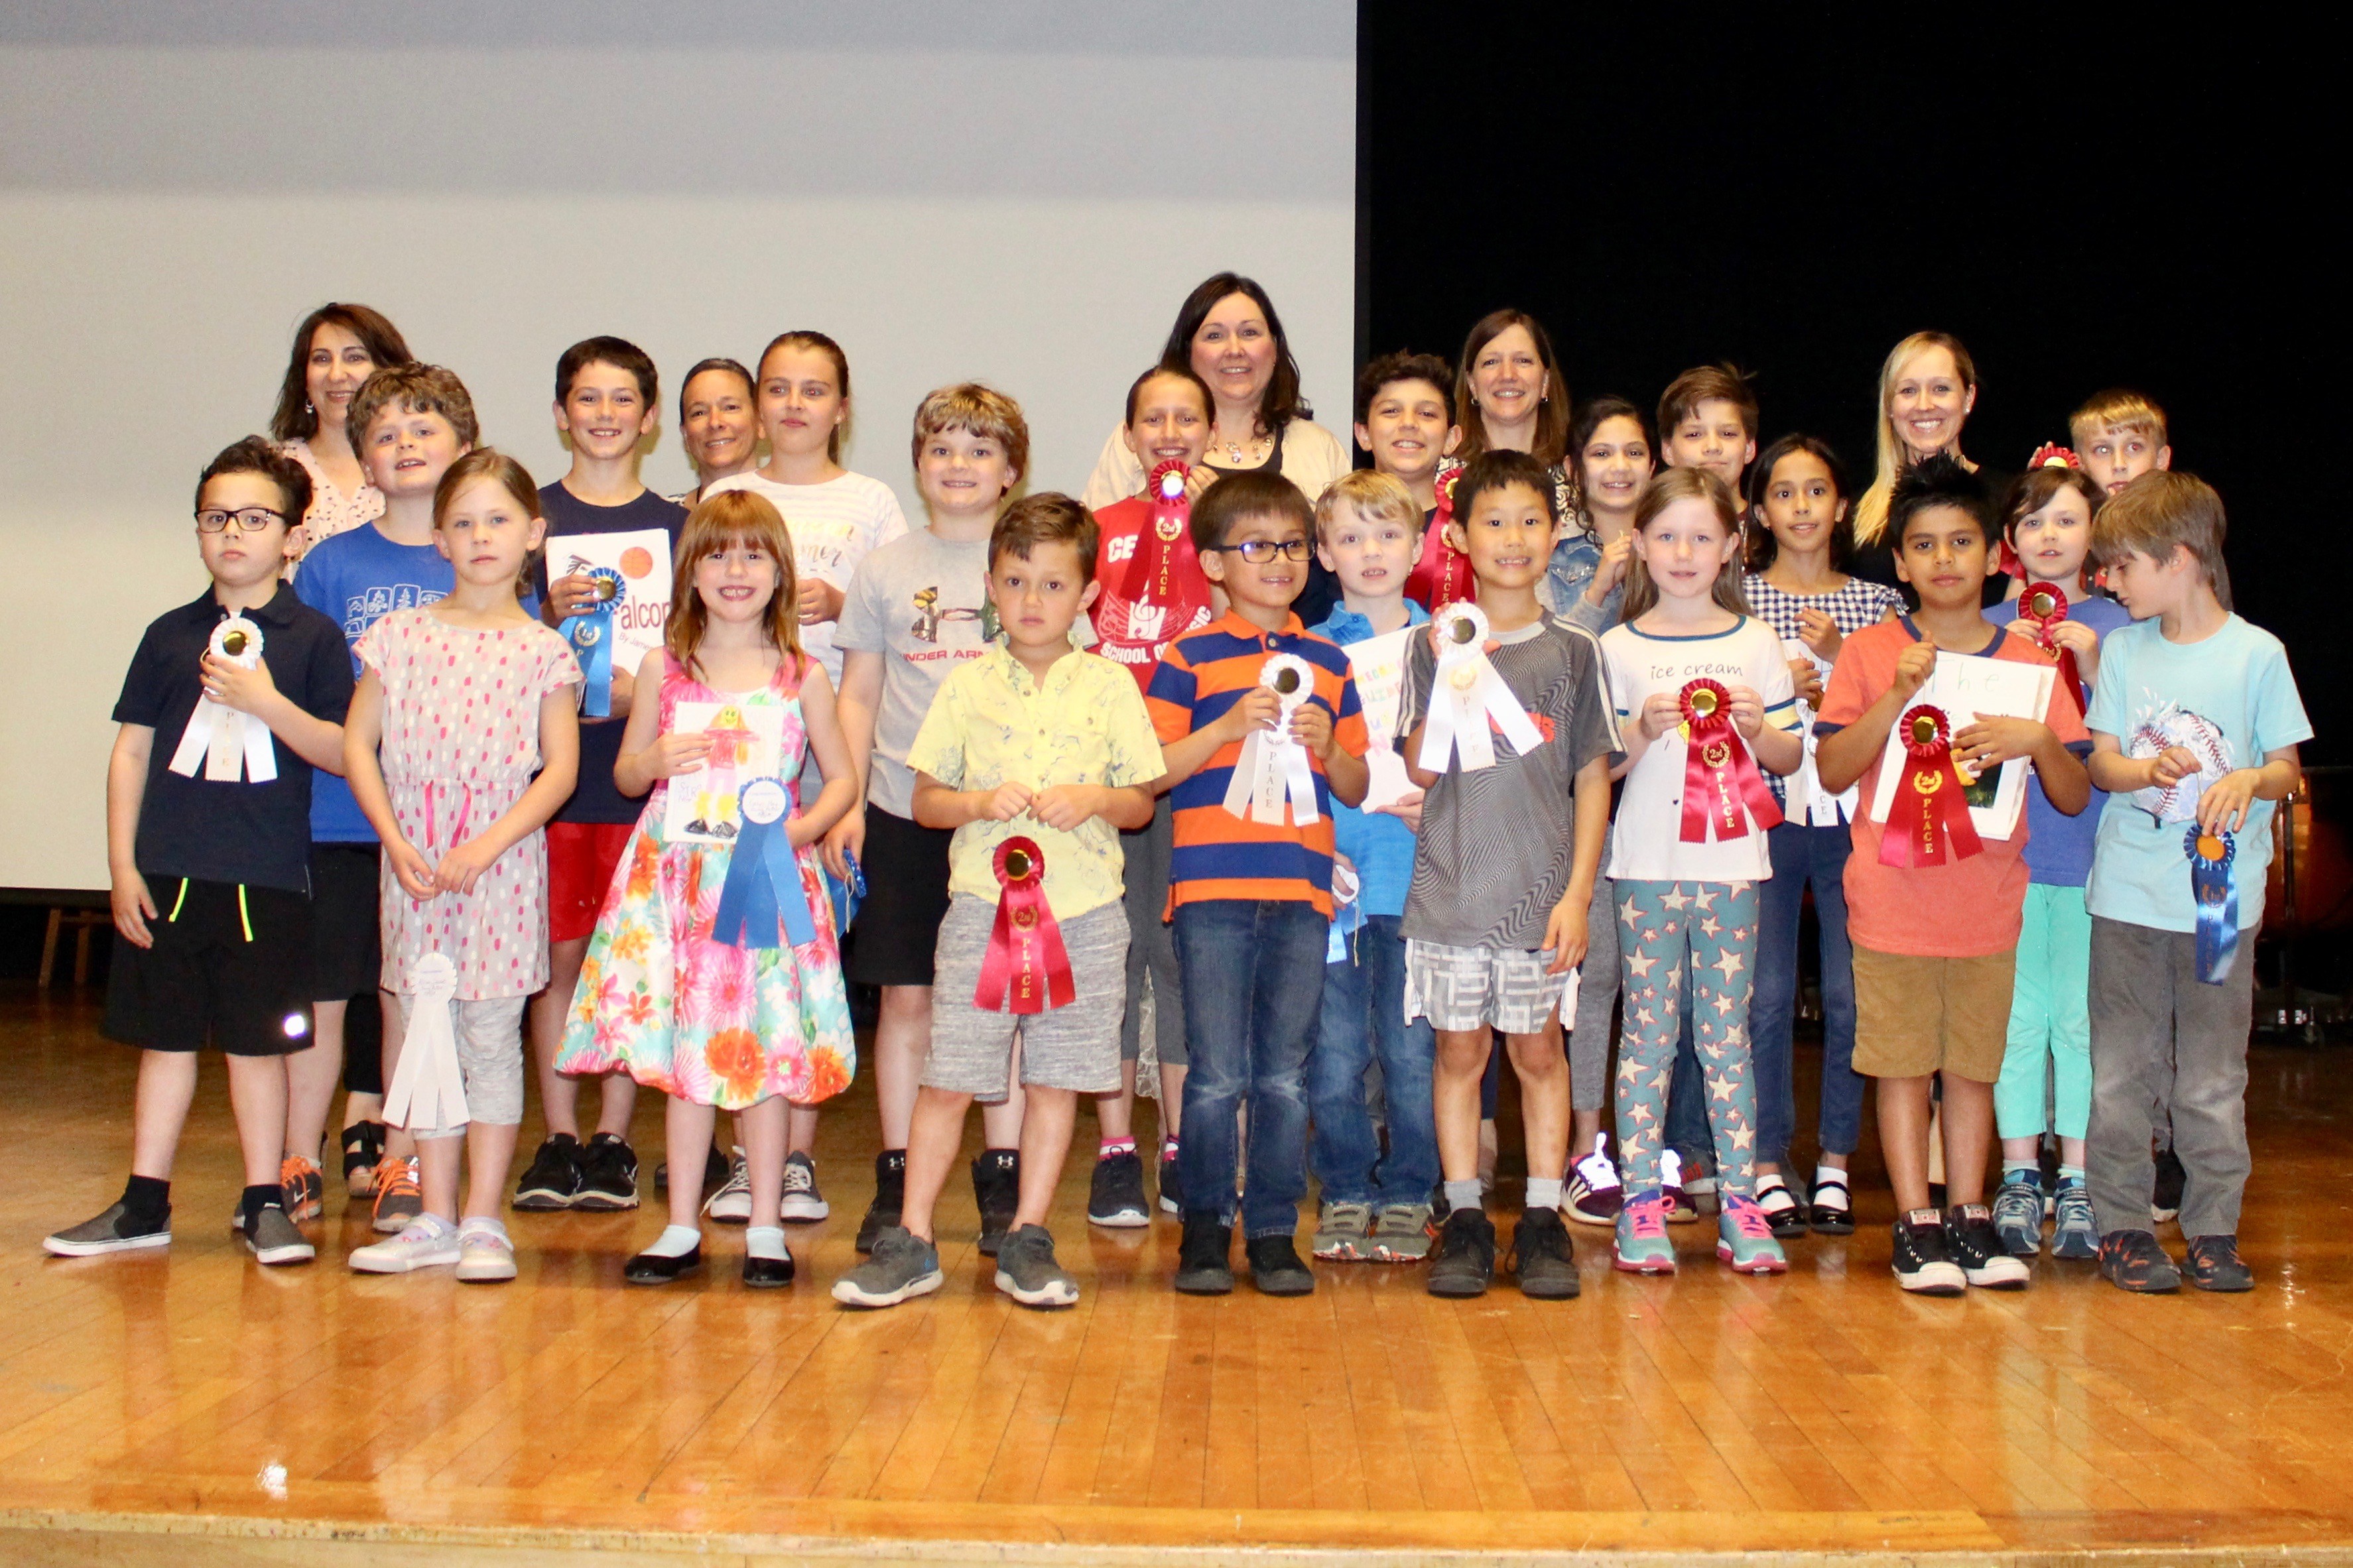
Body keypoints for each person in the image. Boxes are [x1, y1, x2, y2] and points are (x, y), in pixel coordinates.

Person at [834, 495, 1163, 1309]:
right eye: (1014, 581)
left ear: (1088, 594)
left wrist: (1093, 795)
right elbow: (924, 799)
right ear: (989, 586)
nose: (1031, 600)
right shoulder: (966, 687)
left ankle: (1027, 1235)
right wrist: (978, 805)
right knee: (950, 1077)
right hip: (983, 908)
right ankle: (911, 1238)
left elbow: (1140, 803)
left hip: (1083, 914)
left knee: (1056, 1080)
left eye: (1053, 585)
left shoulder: (1111, 686)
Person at [46, 438, 351, 1267]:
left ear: (291, 535)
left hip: (268, 881)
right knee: (166, 1039)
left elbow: (338, 747)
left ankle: (263, 1201)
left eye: (255, 518)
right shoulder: (168, 633)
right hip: (170, 874)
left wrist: (266, 700)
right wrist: (120, 865)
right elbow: (132, 750)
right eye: (216, 518)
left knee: (257, 1046)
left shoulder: (314, 638)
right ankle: (144, 1200)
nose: (233, 534)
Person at [555, 490, 858, 1288]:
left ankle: (763, 1223)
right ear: (690, 573)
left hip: (763, 887)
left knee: (757, 1056)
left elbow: (841, 779)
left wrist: (795, 833)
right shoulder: (664, 667)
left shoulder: (802, 674)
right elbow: (625, 772)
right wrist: (651, 762)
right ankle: (680, 1223)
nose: (735, 570)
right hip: (674, 890)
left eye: (754, 554)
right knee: (686, 1057)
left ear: (780, 573)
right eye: (718, 554)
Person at [1813, 455, 2089, 1295]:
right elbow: (1830, 772)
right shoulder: (1869, 653)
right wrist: (1893, 699)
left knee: (1972, 1066)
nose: (1942, 559)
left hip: (1987, 903)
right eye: (1923, 545)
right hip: (1890, 901)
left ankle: (1969, 1212)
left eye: (1961, 542)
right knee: (1900, 1064)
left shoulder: (2031, 666)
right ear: (1898, 561)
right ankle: (1914, 1218)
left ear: (1993, 556)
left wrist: (2037, 740)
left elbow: (2072, 795)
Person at [342, 450, 581, 1281]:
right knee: (424, 1035)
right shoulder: (398, 635)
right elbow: (356, 743)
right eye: (465, 521)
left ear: (534, 533)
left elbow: (559, 769)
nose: (482, 536)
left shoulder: (543, 649)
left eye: (500, 520)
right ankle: (432, 1215)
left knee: (488, 1037)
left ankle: (483, 1215)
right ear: (439, 537)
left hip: (500, 868)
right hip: (413, 867)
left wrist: (486, 844)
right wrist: (395, 836)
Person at [1146, 471, 1370, 1296]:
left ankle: (1273, 1230)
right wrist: (1225, 726)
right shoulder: (1186, 657)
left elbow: (1353, 784)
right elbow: (1153, 772)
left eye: (1290, 545)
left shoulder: (1329, 659)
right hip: (1208, 890)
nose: (1277, 561)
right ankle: (1204, 1228)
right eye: (1255, 546)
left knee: (1283, 1072)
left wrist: (1328, 745)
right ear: (1212, 563)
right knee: (1214, 1073)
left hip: (1303, 892)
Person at [2084, 472, 2308, 1294]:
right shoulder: (2121, 650)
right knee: (2120, 1074)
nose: (2109, 581)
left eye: (2120, 566)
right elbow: (2103, 761)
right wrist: (2143, 767)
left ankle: (2212, 1228)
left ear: (2177, 560)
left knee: (2212, 1075)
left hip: (2219, 906)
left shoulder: (2256, 654)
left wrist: (2246, 781)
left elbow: (2286, 769)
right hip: (2128, 904)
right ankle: (2120, 1227)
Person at [1401, 451, 1616, 1299]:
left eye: (1531, 520)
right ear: (1456, 535)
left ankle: (1538, 1215)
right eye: (1492, 522)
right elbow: (1418, 770)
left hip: (1539, 901)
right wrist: (1450, 669)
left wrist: (1575, 896)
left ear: (1555, 531)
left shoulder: (1572, 653)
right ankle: (1461, 1215)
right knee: (1458, 1052)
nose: (1513, 538)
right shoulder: (1436, 646)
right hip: (1451, 891)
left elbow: (1592, 775)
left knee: (1536, 1052)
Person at [826, 385, 1027, 1254]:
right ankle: (899, 1174)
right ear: (918, 465)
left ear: (1011, 471)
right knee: (908, 999)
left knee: (1004, 1003)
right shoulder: (885, 569)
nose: (959, 466)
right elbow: (861, 691)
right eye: (943, 449)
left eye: (980, 451)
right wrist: (846, 802)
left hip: (1005, 819)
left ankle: (1003, 1178)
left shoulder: (1034, 559)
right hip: (903, 811)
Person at [1596, 467, 1800, 1275]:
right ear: (1640, 544)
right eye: (1667, 535)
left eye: (1701, 537)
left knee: (1726, 1039)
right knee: (1646, 1036)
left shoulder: (1755, 644)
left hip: (1731, 872)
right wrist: (1638, 734)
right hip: (1643, 869)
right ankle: (1640, 1202)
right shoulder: (1614, 648)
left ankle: (1740, 1201)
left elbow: (1788, 755)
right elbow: (1598, 770)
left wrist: (1757, 729)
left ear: (1729, 547)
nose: (1683, 552)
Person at [289, 365, 476, 1224]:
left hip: (436, 825)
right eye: (386, 435)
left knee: (410, 990)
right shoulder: (328, 565)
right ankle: (299, 1151)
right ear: (363, 462)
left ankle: (401, 1155)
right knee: (326, 992)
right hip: (335, 816)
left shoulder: (477, 553)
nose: (405, 445)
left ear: (464, 448)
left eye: (425, 429)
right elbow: (309, 698)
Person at [513, 337, 688, 1217]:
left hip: (645, 783)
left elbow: (699, 653)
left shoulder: (680, 526)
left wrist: (642, 690)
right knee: (556, 963)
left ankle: (616, 1138)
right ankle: (556, 1137)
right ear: (559, 412)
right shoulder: (526, 520)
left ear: (650, 418)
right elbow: (492, 640)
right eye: (588, 398)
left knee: (632, 965)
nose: (606, 415)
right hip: (550, 784)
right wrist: (548, 620)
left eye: (625, 399)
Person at [1738, 436, 1903, 1238]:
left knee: (1848, 994)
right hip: (1759, 817)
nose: (1800, 507)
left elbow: (1910, 707)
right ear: (1760, 508)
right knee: (1764, 995)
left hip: (1852, 822)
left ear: (1841, 504)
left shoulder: (1875, 605)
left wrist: (1842, 666)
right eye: (1782, 492)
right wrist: (1777, 690)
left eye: (1816, 491)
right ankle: (1766, 1160)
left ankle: (1835, 1160)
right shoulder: (1735, 597)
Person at [1979, 465, 2130, 1258]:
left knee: (2076, 1021)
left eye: (2065, 521)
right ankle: (2016, 1174)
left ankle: (2076, 1176)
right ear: (2010, 540)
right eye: (2032, 523)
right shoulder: (1986, 623)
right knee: (2013, 1021)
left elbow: (2135, 738)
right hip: (2004, 857)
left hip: (2088, 855)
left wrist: (2097, 666)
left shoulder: (2120, 622)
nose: (2047, 537)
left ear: (2092, 535)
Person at [1088, 364, 1221, 1215]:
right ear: (1129, 434)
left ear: (1210, 431)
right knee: (1113, 955)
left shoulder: (1229, 530)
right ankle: (1113, 1148)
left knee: (1175, 955)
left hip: (1198, 778)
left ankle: (1179, 1141)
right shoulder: (1096, 526)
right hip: (1106, 780)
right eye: (1152, 419)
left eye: (1186, 417)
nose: (1169, 432)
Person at [1305, 471, 1438, 1263]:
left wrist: (1444, 802)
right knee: (1332, 1053)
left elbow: (1476, 760)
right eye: (1349, 538)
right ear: (1324, 552)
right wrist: (1312, 849)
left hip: (1418, 878)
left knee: (1410, 1052)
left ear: (1418, 544)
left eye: (1387, 534)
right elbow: (1286, 766)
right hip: (1333, 880)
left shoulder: (1451, 642)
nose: (1370, 552)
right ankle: (1347, 1188)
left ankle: (1409, 1192)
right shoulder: (1307, 649)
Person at [2068, 389, 2183, 1217]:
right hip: (2106, 824)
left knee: (2186, 1008)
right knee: (2110, 1011)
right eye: (2099, 453)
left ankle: (2173, 1150)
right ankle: (2093, 1163)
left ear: (2162, 459)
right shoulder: (2067, 560)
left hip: (2185, 834)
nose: (2117, 467)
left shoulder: (2183, 554)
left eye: (2130, 449)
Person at [1081, 274, 1348, 621]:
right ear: (1188, 351)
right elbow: (1087, 559)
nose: (1234, 349)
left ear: (1275, 348)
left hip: (1300, 657)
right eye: (1214, 335)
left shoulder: (1319, 446)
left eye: (1250, 333)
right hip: (1161, 654)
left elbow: (1348, 565)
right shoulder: (1139, 441)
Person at [1846, 332, 2003, 601]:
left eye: (1941, 389)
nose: (1924, 405)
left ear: (1969, 397)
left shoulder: (2010, 500)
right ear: (1890, 406)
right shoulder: (1854, 516)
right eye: (1908, 391)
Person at [269, 302, 414, 562]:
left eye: (355, 357)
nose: (336, 375)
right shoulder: (272, 468)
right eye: (322, 359)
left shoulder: (416, 464)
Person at [1449, 310, 1574, 520]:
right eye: (1491, 362)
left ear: (1545, 381)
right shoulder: (1440, 479)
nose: (1507, 375)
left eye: (1523, 361)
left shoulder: (1577, 478)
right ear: (1472, 384)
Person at [1543, 395, 1653, 625]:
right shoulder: (1549, 554)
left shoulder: (1674, 545)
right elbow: (1551, 656)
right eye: (1602, 454)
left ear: (1652, 466)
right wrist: (1596, 593)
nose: (1621, 467)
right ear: (1571, 469)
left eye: (1634, 453)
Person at [673, 357, 761, 508]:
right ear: (685, 435)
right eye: (699, 413)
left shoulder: (796, 518)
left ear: (760, 422)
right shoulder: (663, 521)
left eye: (730, 407)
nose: (715, 423)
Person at [2071, 390, 2173, 499]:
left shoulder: (2185, 513)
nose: (2119, 465)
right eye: (2103, 450)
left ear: (2161, 459)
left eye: (2134, 448)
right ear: (2081, 463)